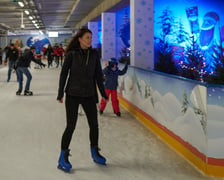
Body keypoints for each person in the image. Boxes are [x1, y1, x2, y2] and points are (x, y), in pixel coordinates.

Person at [56, 27, 108, 172]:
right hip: (72, 94)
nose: (90, 40)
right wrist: (60, 93)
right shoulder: (72, 54)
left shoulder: (94, 54)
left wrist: (103, 93)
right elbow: (64, 74)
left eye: (91, 38)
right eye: (87, 38)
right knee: (70, 126)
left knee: (94, 125)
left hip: (89, 95)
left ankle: (95, 152)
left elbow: (98, 75)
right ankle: (62, 156)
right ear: (80, 39)